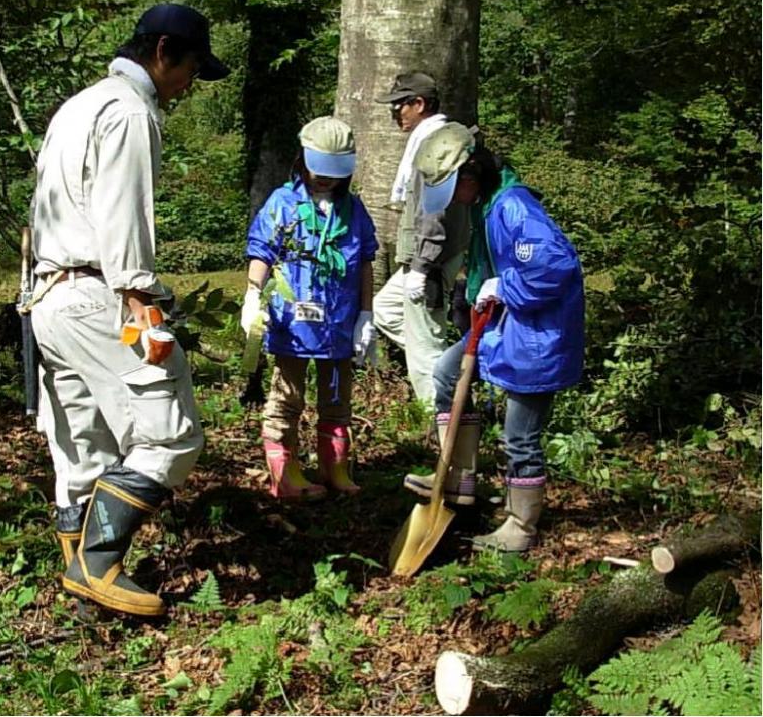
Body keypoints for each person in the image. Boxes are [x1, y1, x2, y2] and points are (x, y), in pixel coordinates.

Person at [30, 4, 229, 616]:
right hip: (101, 294)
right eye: (192, 67)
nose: (190, 85)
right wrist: (139, 298)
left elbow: (45, 210)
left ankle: (81, 586)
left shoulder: (79, 105)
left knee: (82, 443)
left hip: (49, 294)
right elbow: (122, 214)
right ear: (164, 51)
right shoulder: (130, 112)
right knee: (171, 434)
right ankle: (96, 565)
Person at [403, 122, 585, 552]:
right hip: (506, 329)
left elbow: (557, 267)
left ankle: (521, 526)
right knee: (448, 373)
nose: (451, 202)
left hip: (539, 338)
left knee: (519, 435)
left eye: (452, 189)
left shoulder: (513, 208)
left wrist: (507, 287)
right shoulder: (487, 205)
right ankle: (458, 475)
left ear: (471, 176)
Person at [241, 116, 378, 500]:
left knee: (337, 395)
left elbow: (365, 261)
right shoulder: (283, 203)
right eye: (319, 170)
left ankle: (334, 466)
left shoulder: (353, 211)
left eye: (334, 173)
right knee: (288, 395)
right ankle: (285, 473)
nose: (324, 179)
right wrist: (253, 295)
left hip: (338, 322)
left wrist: (366, 315)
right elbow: (261, 252)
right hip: (292, 323)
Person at [372, 72, 469, 407]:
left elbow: (435, 211)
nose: (394, 113)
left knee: (425, 347)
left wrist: (422, 266)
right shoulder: (429, 138)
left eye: (399, 105)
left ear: (419, 104)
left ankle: (439, 420)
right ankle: (450, 369)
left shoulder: (436, 144)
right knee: (385, 310)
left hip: (429, 258)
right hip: (421, 256)